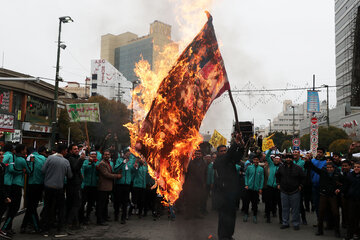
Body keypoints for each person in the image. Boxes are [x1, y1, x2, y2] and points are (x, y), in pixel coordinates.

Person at [213, 132, 244, 240]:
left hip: (232, 193)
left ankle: (229, 235)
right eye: (221, 151)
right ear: (218, 153)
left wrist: (241, 146)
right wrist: (236, 141)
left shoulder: (229, 160)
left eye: (225, 150)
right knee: (223, 218)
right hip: (223, 195)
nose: (224, 152)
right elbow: (230, 154)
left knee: (232, 217)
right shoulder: (219, 161)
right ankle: (222, 236)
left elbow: (238, 156)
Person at [41, 144, 73, 237]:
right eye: (66, 150)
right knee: (61, 209)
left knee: (47, 208)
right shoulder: (66, 162)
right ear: (63, 151)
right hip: (59, 188)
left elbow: (43, 170)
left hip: (48, 187)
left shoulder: (49, 158)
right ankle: (60, 230)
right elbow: (70, 175)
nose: (66, 152)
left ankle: (45, 230)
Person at [306, 159, 343, 237]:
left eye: (330, 167)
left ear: (334, 168)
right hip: (323, 194)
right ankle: (320, 230)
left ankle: (337, 231)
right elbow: (314, 168)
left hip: (333, 195)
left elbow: (343, 183)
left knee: (336, 213)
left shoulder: (338, 174)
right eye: (327, 167)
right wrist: (309, 160)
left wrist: (339, 189)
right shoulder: (323, 172)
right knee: (321, 212)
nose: (329, 169)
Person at [2, 144, 33, 234]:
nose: (26, 151)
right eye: (25, 149)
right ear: (22, 150)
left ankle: (8, 228)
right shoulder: (22, 160)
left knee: (10, 208)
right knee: (14, 209)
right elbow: (29, 171)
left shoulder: (13, 157)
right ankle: (5, 227)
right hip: (17, 185)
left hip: (11, 184)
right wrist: (31, 162)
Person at [21, 146, 47, 233]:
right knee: (32, 206)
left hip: (31, 184)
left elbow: (29, 171)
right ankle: (24, 226)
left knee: (31, 207)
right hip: (41, 184)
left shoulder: (30, 157)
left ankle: (35, 226)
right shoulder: (43, 158)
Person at [276, 153, 305, 230]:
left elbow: (302, 177)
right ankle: (285, 222)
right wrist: (278, 183)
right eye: (287, 158)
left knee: (295, 209)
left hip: (295, 191)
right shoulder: (281, 167)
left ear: (292, 159)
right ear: (285, 159)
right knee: (284, 208)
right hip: (284, 191)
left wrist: (301, 185)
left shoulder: (298, 168)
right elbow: (277, 176)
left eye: (290, 158)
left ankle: (296, 223)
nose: (288, 159)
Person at [96, 149, 121, 226]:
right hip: (103, 187)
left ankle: (104, 217)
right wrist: (117, 176)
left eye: (108, 154)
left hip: (107, 187)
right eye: (105, 154)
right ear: (103, 155)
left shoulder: (108, 163)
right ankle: (100, 220)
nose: (107, 156)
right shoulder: (102, 164)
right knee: (101, 204)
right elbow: (106, 174)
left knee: (105, 203)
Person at [65, 144, 86, 229]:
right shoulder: (71, 159)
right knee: (76, 204)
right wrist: (81, 159)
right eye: (74, 149)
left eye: (77, 149)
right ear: (70, 151)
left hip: (76, 184)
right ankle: (69, 222)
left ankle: (75, 223)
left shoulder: (75, 158)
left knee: (74, 204)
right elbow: (75, 168)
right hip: (73, 185)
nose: (77, 150)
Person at [113, 149, 135, 224]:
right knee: (118, 201)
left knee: (125, 202)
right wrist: (123, 163)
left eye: (129, 154)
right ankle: (116, 215)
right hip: (119, 184)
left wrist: (135, 167)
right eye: (127, 154)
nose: (128, 155)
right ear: (124, 154)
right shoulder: (119, 160)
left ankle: (123, 218)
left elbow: (132, 171)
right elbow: (115, 169)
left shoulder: (130, 161)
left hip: (127, 184)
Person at [243, 155, 264, 223]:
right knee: (246, 202)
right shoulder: (249, 167)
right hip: (249, 188)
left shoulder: (261, 169)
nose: (255, 161)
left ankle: (255, 216)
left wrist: (260, 188)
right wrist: (246, 184)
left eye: (257, 160)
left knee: (255, 204)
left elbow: (262, 179)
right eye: (254, 160)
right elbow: (246, 176)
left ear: (259, 161)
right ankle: (246, 214)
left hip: (256, 189)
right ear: (253, 160)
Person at [80, 151, 99, 224]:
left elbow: (98, 170)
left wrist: (93, 163)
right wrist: (89, 164)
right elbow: (83, 169)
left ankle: (87, 216)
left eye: (95, 154)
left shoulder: (97, 162)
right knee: (83, 202)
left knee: (91, 203)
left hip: (94, 185)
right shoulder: (85, 161)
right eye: (92, 154)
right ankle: (81, 217)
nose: (93, 155)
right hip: (86, 185)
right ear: (89, 155)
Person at [264, 148, 282, 224]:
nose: (276, 160)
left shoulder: (281, 167)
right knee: (268, 202)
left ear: (280, 160)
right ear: (273, 160)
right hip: (269, 187)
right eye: (275, 159)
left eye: (278, 159)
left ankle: (281, 219)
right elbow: (267, 157)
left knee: (279, 203)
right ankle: (268, 217)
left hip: (277, 187)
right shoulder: (271, 165)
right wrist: (270, 150)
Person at [343, 161, 360, 240]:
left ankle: (357, 234)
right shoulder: (350, 175)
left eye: (358, 167)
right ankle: (349, 234)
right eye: (355, 167)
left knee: (358, 218)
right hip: (351, 199)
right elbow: (346, 187)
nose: (356, 168)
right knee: (350, 218)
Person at [311, 148, 327, 217]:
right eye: (318, 152)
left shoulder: (326, 162)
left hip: (323, 185)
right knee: (316, 203)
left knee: (324, 204)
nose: (319, 153)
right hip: (314, 185)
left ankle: (325, 220)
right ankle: (319, 219)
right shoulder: (312, 161)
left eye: (320, 152)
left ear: (323, 153)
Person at [293, 150, 307, 225]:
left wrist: (301, 184)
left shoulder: (302, 162)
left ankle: (304, 218)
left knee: (300, 203)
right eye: (294, 152)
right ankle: (295, 218)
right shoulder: (291, 162)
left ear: (299, 154)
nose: (295, 153)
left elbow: (304, 175)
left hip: (299, 185)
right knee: (293, 204)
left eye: (296, 152)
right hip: (292, 185)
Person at [0, 149, 11, 240]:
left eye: (2, 155)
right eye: (0, 155)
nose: (2, 156)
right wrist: (5, 196)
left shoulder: (2, 165)